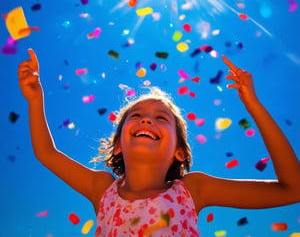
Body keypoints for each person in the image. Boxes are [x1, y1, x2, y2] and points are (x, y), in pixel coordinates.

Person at [18, 48, 300, 236]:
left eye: (161, 118)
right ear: (117, 145)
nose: (146, 120)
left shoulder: (193, 190)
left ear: (179, 151)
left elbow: (293, 189)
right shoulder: (102, 189)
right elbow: (46, 153)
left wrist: (253, 105)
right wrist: (35, 99)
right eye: (136, 115)